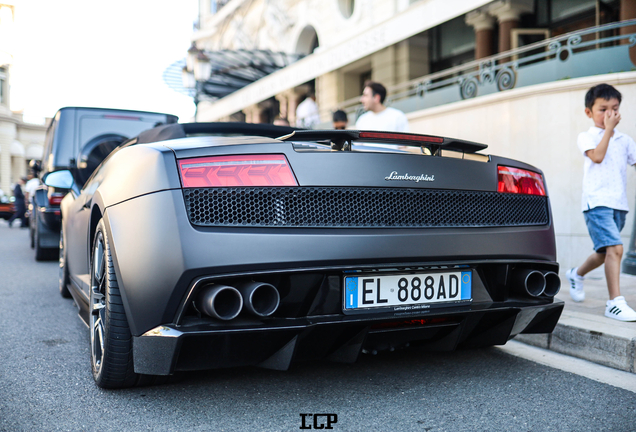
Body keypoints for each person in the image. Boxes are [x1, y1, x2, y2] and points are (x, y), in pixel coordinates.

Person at [566, 83, 636, 322]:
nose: (609, 114)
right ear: (589, 112)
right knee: (615, 249)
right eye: (603, 109)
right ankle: (614, 303)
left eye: (614, 109)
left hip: (619, 204)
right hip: (596, 203)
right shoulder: (586, 136)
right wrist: (608, 129)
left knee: (604, 252)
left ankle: (576, 274)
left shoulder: (625, 140)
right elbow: (597, 156)